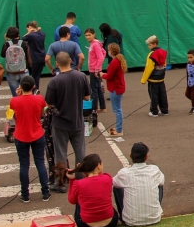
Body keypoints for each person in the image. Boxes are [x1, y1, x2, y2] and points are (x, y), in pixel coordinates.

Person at [45, 52, 91, 193]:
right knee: (80, 152)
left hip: (60, 123)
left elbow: (49, 103)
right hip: (76, 121)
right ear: (71, 61)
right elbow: (87, 97)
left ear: (57, 64)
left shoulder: (54, 81)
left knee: (60, 154)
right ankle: (81, 178)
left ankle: (61, 183)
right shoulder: (81, 76)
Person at [9, 75, 50, 202]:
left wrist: (18, 95)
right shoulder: (39, 99)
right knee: (40, 163)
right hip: (37, 133)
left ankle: (25, 194)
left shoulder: (14, 101)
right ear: (33, 86)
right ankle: (45, 192)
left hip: (21, 135)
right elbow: (41, 114)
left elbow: (12, 114)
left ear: (20, 86)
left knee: (24, 165)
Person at [113, 142, 165, 227]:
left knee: (117, 187)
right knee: (159, 184)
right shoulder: (154, 170)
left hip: (131, 220)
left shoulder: (124, 173)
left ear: (130, 156)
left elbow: (114, 183)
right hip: (155, 218)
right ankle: (152, 210)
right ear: (146, 157)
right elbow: (162, 182)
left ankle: (124, 215)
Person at [66, 154, 119, 227]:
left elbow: (72, 201)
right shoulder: (107, 178)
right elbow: (97, 182)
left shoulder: (78, 183)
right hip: (110, 223)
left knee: (79, 199)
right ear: (99, 166)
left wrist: (72, 180)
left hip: (87, 226)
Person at [101, 43, 126, 137]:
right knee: (117, 109)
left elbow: (109, 76)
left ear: (111, 51)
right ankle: (118, 127)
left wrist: (102, 75)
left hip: (116, 88)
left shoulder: (114, 62)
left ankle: (119, 130)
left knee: (117, 110)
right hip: (118, 87)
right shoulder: (118, 60)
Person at [141, 35, 169, 118]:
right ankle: (164, 110)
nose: (149, 46)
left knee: (154, 95)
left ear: (154, 44)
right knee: (162, 94)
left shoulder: (151, 54)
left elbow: (148, 68)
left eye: (149, 45)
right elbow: (164, 64)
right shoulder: (163, 52)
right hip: (161, 77)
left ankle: (154, 111)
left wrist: (143, 79)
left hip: (153, 79)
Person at [0, 26, 31, 97]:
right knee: (26, 93)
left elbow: (2, 55)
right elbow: (29, 58)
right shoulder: (24, 43)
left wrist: (6, 40)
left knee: (16, 94)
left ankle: (17, 106)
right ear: (18, 34)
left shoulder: (7, 44)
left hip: (11, 72)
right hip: (23, 71)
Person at [84, 28, 107, 114]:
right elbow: (104, 52)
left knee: (94, 90)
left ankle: (94, 109)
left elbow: (101, 57)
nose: (88, 37)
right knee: (98, 89)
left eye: (89, 35)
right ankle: (103, 107)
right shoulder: (95, 44)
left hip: (94, 70)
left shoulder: (95, 44)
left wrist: (97, 69)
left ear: (94, 34)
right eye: (86, 35)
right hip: (95, 69)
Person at [23, 21, 46, 90]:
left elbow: (23, 39)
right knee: (37, 76)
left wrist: (29, 32)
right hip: (42, 57)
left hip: (34, 59)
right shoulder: (42, 34)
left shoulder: (31, 35)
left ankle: (33, 90)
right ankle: (36, 90)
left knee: (33, 76)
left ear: (29, 27)